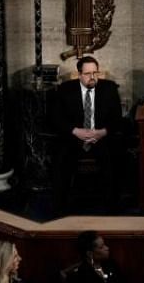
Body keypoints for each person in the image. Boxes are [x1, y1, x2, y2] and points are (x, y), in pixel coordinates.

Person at [49, 55, 124, 215]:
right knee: (61, 160)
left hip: (101, 138)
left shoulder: (109, 88)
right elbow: (56, 118)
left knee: (115, 159)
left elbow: (117, 119)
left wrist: (102, 132)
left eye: (95, 73)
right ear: (79, 74)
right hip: (74, 138)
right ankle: (59, 209)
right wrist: (76, 131)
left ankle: (112, 208)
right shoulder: (65, 89)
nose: (92, 77)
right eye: (88, 73)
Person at [64, 231, 130, 283]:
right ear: (89, 254)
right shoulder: (78, 277)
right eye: (101, 247)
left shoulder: (111, 265)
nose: (107, 248)